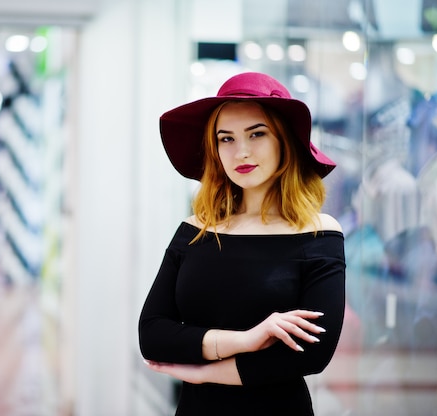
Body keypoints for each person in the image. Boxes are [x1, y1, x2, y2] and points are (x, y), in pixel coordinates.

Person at [138, 72, 346, 415]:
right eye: (226, 139)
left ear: (285, 140)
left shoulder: (318, 233)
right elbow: (152, 333)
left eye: (257, 134)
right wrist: (247, 340)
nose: (241, 152)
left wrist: (204, 370)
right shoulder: (195, 230)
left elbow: (313, 353)